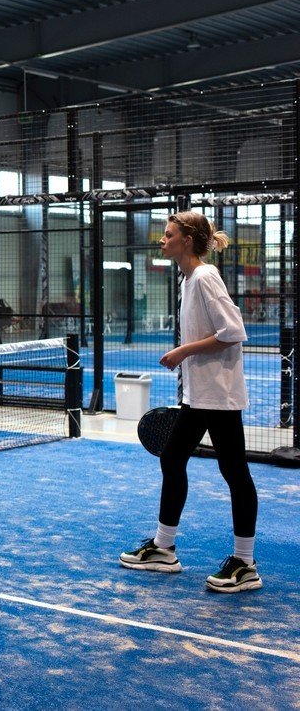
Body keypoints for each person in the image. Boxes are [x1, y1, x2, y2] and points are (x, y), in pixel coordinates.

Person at [119, 211, 260, 592]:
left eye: (168, 235)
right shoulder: (188, 280)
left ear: (187, 241)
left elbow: (234, 331)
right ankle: (164, 548)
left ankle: (245, 564)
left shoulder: (205, 277)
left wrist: (182, 352)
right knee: (174, 457)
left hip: (219, 396)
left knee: (234, 472)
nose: (162, 241)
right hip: (200, 395)